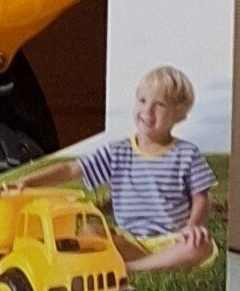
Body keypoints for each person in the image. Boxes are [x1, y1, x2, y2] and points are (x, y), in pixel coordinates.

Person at [75, 66, 219, 274]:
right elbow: (72, 170)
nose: (147, 111)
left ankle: (130, 268)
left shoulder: (187, 153)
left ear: (179, 115)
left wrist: (193, 226)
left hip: (174, 240)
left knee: (199, 244)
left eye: (159, 105)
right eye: (142, 100)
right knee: (89, 232)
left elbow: (201, 198)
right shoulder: (118, 152)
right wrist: (29, 181)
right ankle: (156, 264)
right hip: (131, 241)